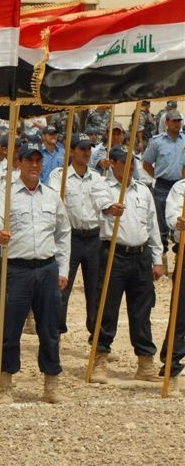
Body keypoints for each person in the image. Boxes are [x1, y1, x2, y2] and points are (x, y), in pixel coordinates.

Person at [0, 142, 71, 403]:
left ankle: (51, 383)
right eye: (29, 160)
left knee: (49, 328)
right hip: (17, 268)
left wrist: (63, 268)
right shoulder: (5, 195)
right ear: (19, 163)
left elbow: (63, 233)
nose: (34, 165)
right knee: (10, 327)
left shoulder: (51, 196)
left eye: (38, 160)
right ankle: (5, 382)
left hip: (47, 268)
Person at [89, 146, 163, 384]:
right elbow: (100, 205)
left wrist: (157, 259)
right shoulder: (102, 186)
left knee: (141, 311)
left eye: (132, 164)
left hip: (140, 256)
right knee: (107, 309)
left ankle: (145, 362)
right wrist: (111, 209)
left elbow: (152, 227)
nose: (129, 168)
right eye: (124, 163)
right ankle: (99, 357)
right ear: (113, 164)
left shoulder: (143, 191)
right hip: (114, 254)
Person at [48, 134, 104, 339]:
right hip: (70, 237)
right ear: (71, 151)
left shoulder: (97, 177)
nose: (87, 152)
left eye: (89, 148)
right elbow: (54, 201)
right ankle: (56, 331)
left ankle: (96, 334)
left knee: (95, 289)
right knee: (62, 285)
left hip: (94, 237)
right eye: (82, 149)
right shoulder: (59, 176)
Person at [142, 109, 184, 262]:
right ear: (166, 122)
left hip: (181, 187)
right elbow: (146, 163)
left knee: (181, 221)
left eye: (179, 120)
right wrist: (157, 176)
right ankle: (162, 256)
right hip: (163, 186)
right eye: (174, 121)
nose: (177, 123)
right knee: (161, 223)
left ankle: (180, 255)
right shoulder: (157, 142)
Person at [162, 179, 185, 396]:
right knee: (180, 314)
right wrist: (179, 223)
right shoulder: (181, 188)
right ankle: (173, 368)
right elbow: (172, 219)